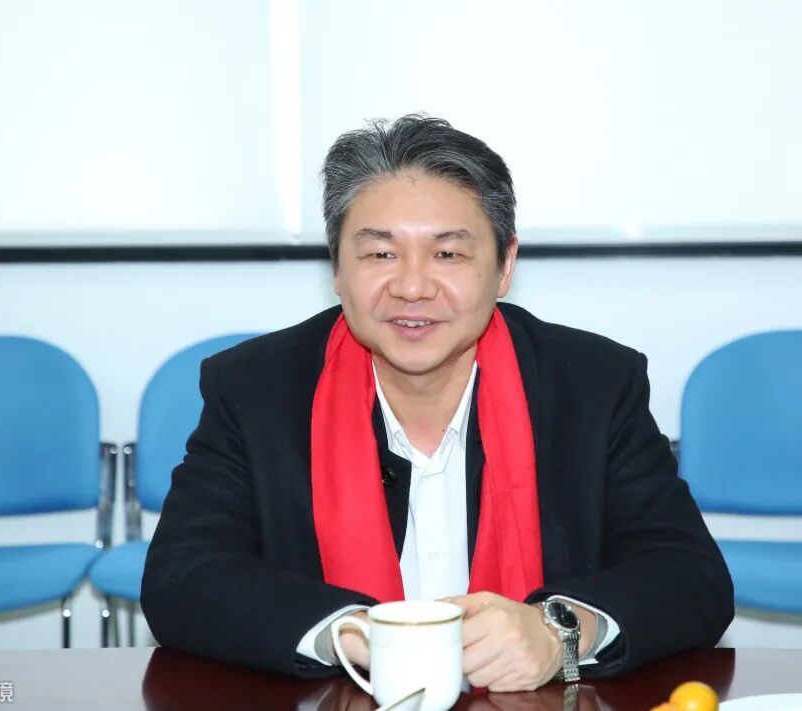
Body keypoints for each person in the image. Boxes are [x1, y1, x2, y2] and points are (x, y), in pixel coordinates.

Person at [141, 114, 733, 692]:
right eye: (380, 254)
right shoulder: (256, 389)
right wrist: (352, 634)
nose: (412, 287)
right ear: (337, 269)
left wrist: (559, 633)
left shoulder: (593, 385)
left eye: (448, 254)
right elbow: (182, 577)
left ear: (504, 266)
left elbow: (689, 575)